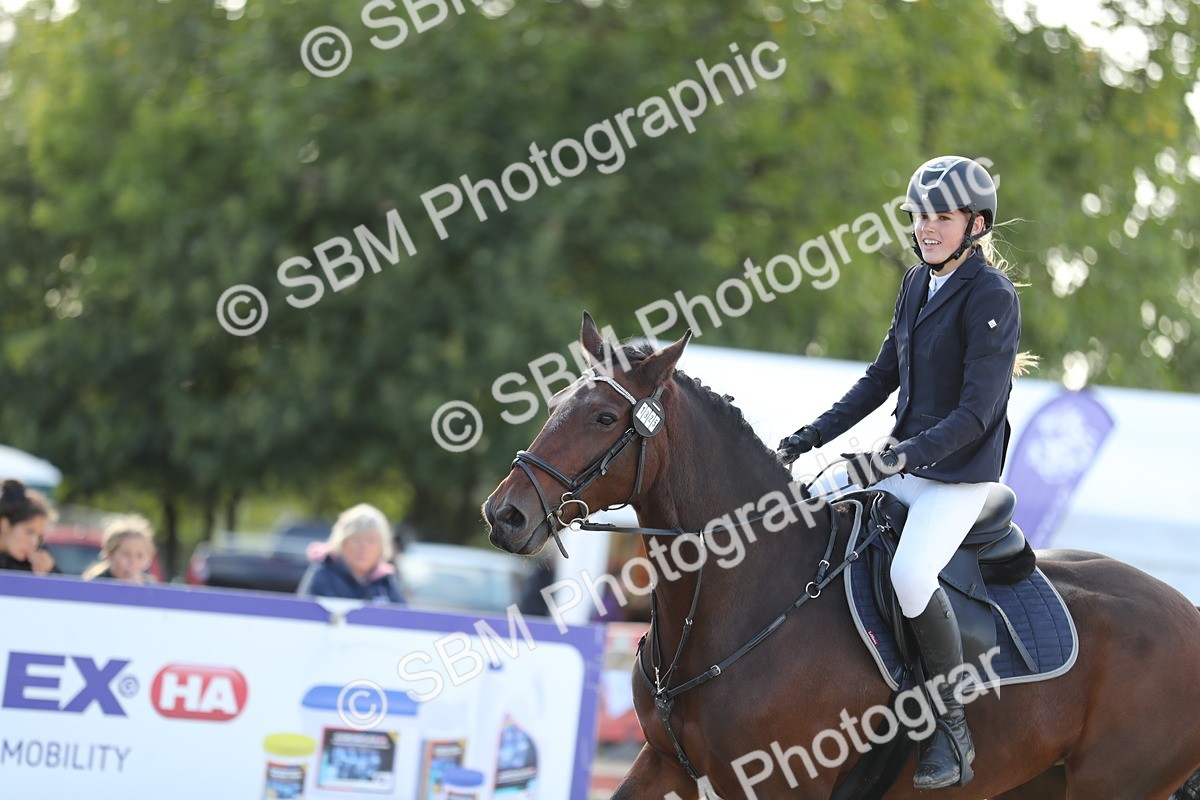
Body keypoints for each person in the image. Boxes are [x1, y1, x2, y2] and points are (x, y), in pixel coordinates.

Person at [777, 156, 1025, 789]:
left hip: (959, 477)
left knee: (912, 575)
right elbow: (879, 380)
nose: (927, 228)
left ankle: (952, 728)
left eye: (942, 218)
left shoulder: (991, 295)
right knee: (809, 503)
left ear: (975, 224)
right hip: (904, 460)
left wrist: (894, 458)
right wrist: (807, 438)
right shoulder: (918, 282)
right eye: (920, 216)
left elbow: (976, 413)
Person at [297, 503, 405, 603]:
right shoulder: (324, 574)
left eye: (371, 541)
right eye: (357, 539)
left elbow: (404, 618)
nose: (363, 547)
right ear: (342, 542)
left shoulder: (386, 583)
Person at [0, 478, 60, 575]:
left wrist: (50, 574)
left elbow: (64, 589)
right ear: (4, 525)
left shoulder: (34, 564)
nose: (34, 543)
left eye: (40, 536)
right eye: (29, 532)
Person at [83, 514, 157, 583]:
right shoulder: (95, 583)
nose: (133, 562)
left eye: (140, 556)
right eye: (126, 555)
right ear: (109, 555)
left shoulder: (150, 587)